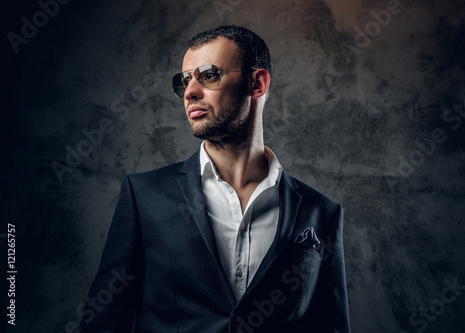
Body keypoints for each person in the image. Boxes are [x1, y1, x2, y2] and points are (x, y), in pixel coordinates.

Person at [78, 25, 350, 333]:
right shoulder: (144, 197)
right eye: (185, 81)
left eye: (209, 75)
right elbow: (102, 323)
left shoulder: (321, 212)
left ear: (257, 83)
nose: (190, 92)